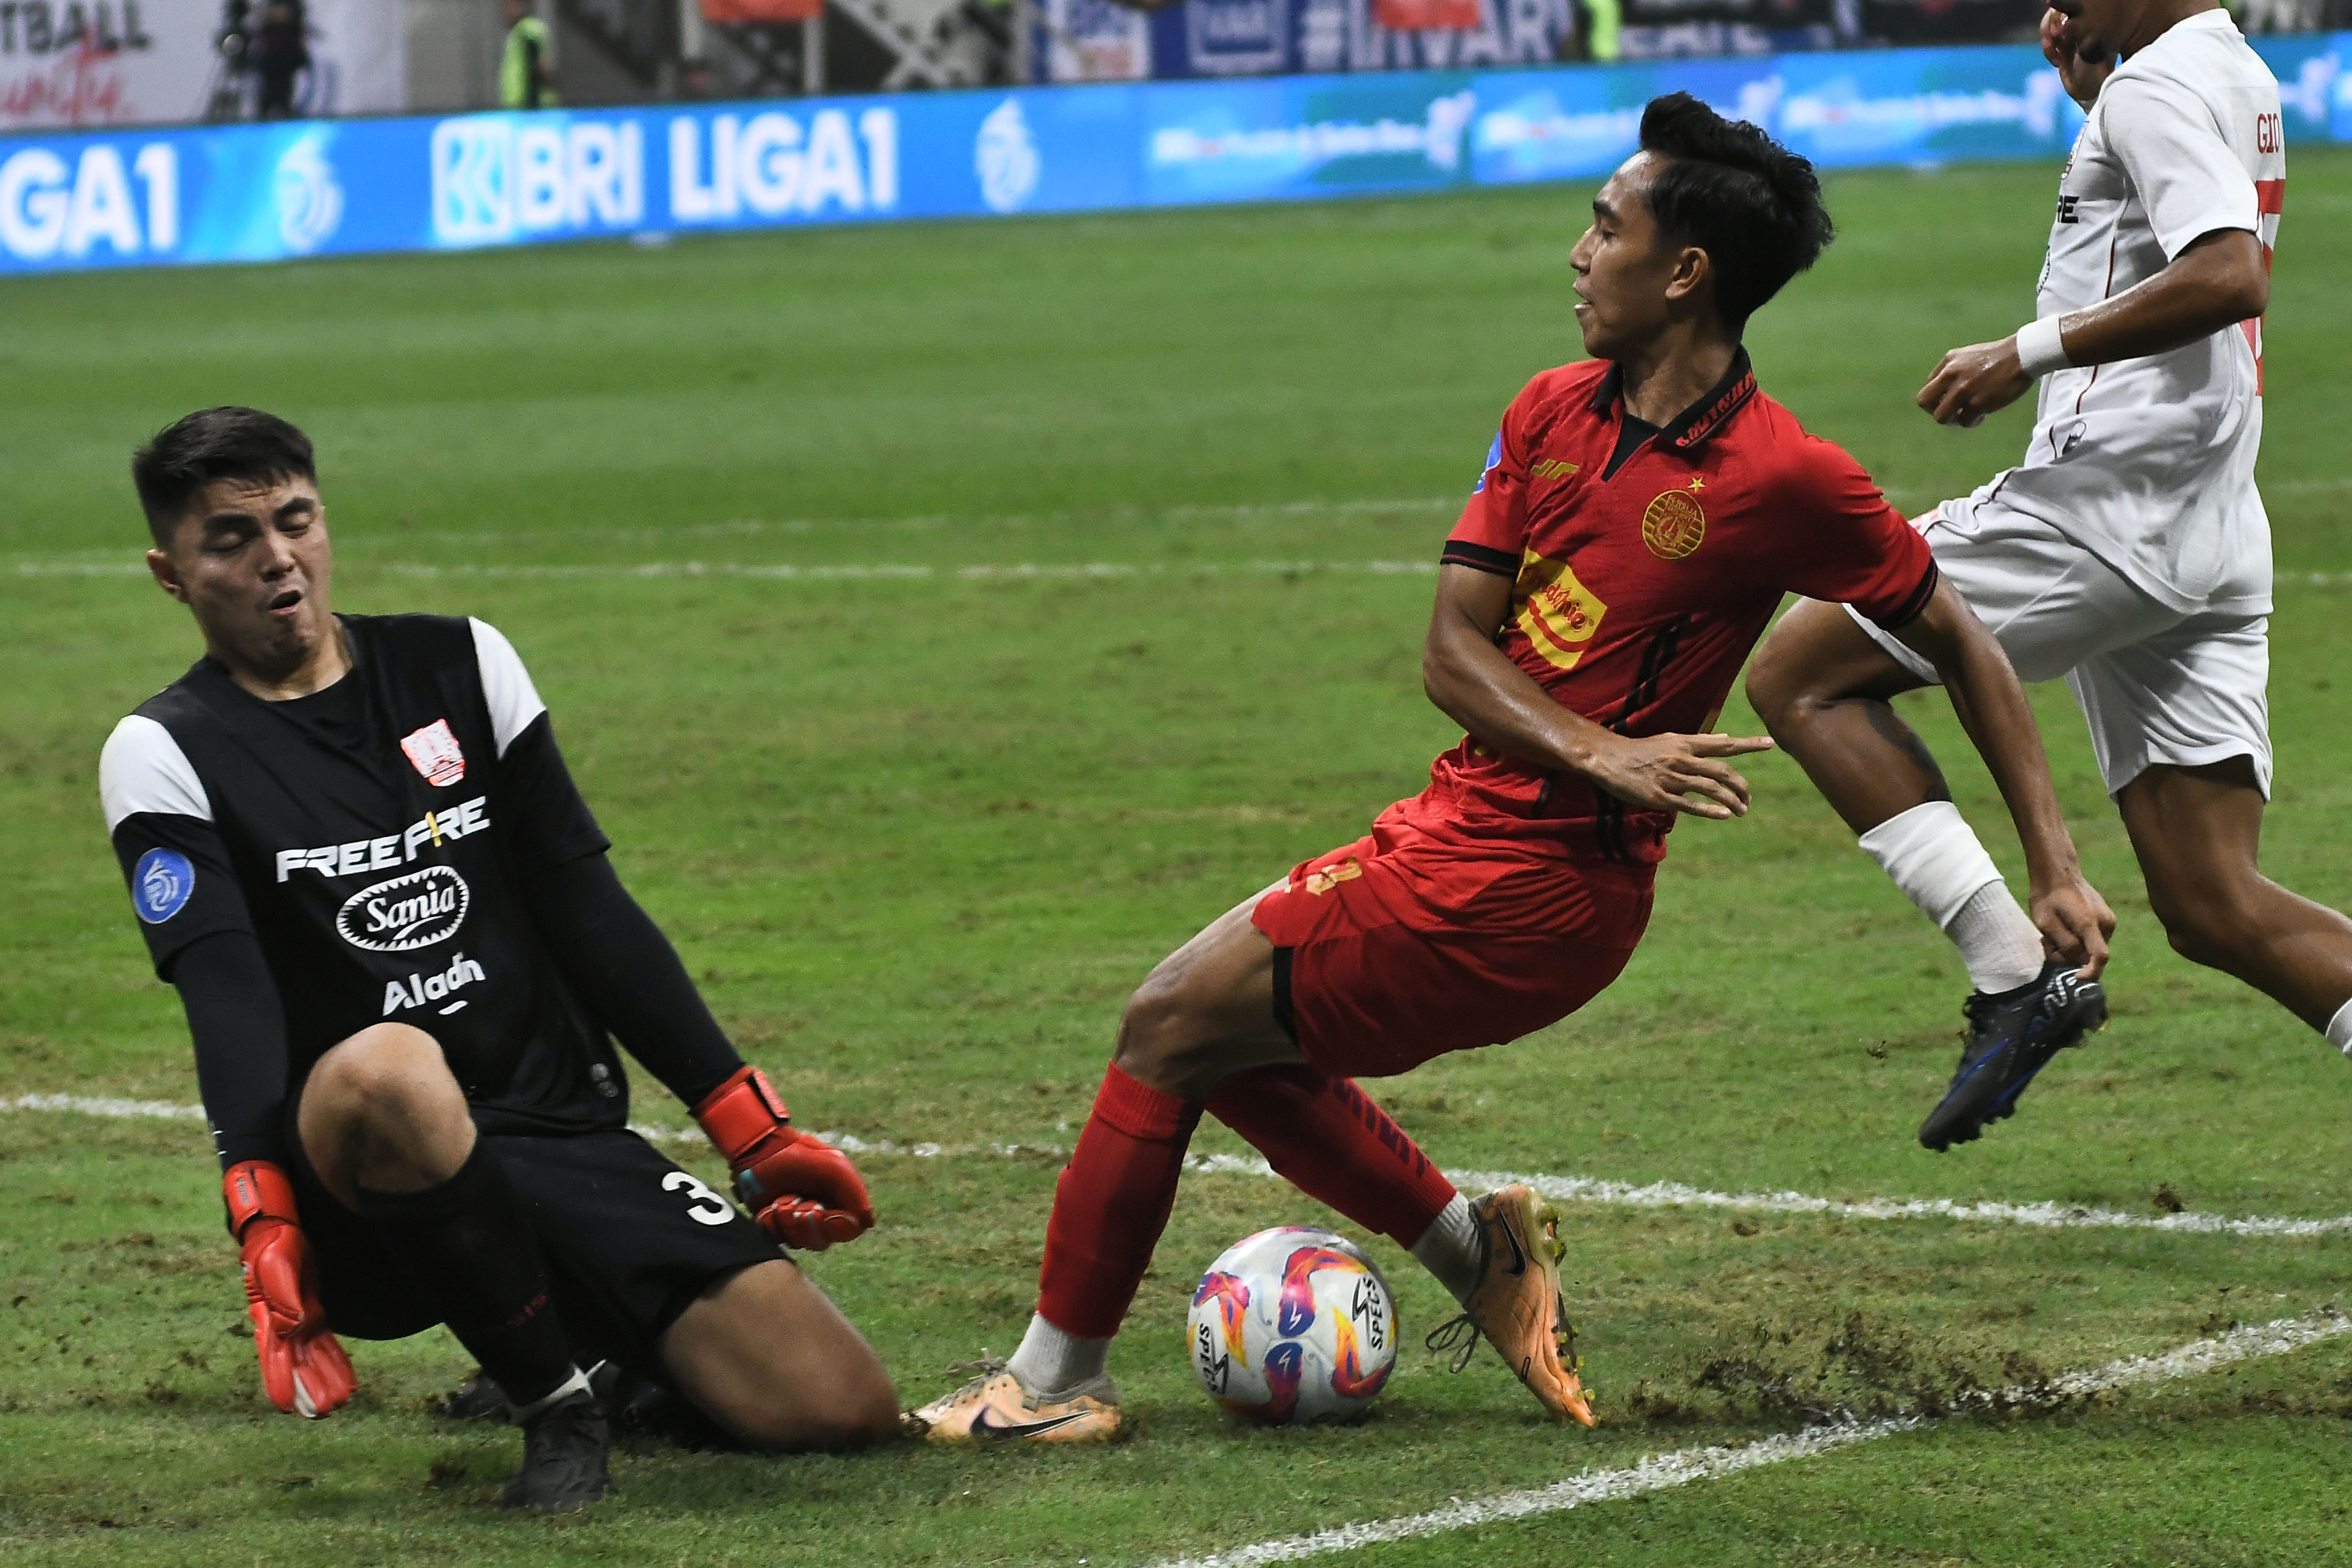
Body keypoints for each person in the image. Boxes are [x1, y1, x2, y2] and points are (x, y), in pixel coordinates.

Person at [910, 93, 2108, 1443]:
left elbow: (1964, 639)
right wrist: (1606, 746)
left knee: (1165, 1020)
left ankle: (1053, 1382)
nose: (1578, 253)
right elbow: (1450, 649)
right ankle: (1476, 1252)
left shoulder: (1783, 475)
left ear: (1685, 272)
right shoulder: (1549, 411)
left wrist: (2055, 869)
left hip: (1537, 886)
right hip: (1456, 820)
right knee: (1222, 1046)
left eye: (1606, 228)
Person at [100, 408, 897, 1510]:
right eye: (232, 539)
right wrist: (265, 1219)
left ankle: (606, 1360)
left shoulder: (460, 663)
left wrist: (743, 1117)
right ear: (171, 573)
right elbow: (226, 1003)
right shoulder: (164, 750)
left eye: (296, 520)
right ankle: (555, 1409)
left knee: (837, 1409)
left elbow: (588, 909)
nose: (277, 558)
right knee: (392, 1063)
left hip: (550, 1121)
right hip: (364, 1178)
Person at [1746, 0, 2305, 1152]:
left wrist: (2024, 352)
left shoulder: (2153, 87)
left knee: (1801, 673)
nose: (2053, 10)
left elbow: (2229, 272)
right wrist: (2091, 90)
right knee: (2216, 904)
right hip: (2209, 518)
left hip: (2104, 509)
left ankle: (2013, 969)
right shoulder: (2229, 70)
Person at [499, 0, 559, 110]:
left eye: (509, 5)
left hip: (529, 104)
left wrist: (532, 102)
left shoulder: (526, 29)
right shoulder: (519, 30)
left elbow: (539, 65)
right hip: (521, 103)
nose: (505, 11)